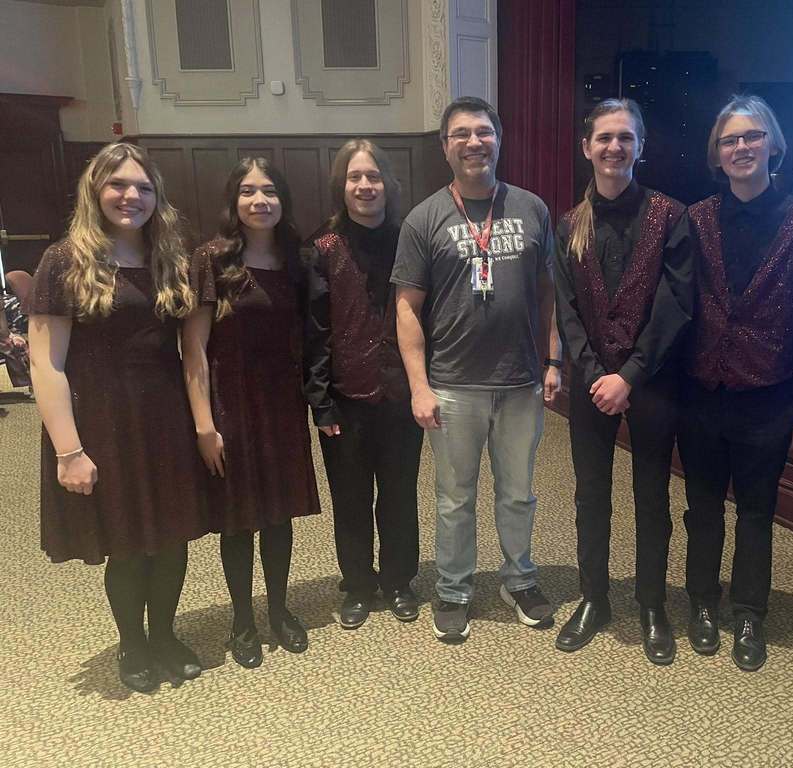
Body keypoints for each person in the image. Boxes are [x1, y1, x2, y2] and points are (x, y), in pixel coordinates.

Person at [26, 143, 209, 692]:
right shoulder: (64, 260)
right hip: (101, 423)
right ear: (95, 190)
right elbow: (45, 364)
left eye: (144, 187)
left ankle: (166, 636)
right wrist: (69, 451)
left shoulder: (170, 258)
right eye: (118, 185)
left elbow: (192, 348)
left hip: (164, 417)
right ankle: (134, 642)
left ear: (158, 196)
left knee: (171, 538)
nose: (131, 196)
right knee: (127, 544)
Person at [392, 96, 561, 643]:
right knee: (454, 496)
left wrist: (552, 359)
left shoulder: (532, 208)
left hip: (519, 384)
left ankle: (520, 579)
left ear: (498, 139)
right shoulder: (425, 218)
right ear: (445, 147)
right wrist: (419, 387)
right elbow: (407, 309)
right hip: (453, 385)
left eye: (483, 131)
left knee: (518, 492)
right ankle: (455, 588)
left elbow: (547, 293)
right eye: (460, 133)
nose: (473, 142)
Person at [677, 95, 793, 672]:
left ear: (774, 147)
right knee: (702, 506)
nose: (741, 147)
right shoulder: (694, 220)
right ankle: (701, 603)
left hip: (772, 394)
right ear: (717, 154)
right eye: (729, 140)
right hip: (701, 393)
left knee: (758, 511)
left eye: (752, 137)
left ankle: (749, 613)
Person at [552, 98, 694, 664]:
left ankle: (651, 603)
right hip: (591, 383)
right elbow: (566, 309)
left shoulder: (671, 216)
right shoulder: (569, 224)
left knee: (652, 497)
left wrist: (628, 376)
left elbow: (676, 304)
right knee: (591, 497)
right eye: (604, 138)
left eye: (626, 138)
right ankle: (594, 598)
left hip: (653, 382)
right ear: (586, 147)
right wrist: (594, 374)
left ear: (641, 147)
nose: (615, 147)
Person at [182, 157, 320, 669]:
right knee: (238, 520)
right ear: (233, 202)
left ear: (283, 201)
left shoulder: (295, 260)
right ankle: (242, 619)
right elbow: (193, 348)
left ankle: (280, 610)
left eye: (269, 191)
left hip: (283, 403)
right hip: (229, 403)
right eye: (247, 191)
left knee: (279, 514)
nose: (259, 200)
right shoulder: (210, 260)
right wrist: (203, 424)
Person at [303, 140, 423, 630]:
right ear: (342, 186)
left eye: (372, 176)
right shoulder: (322, 248)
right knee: (350, 498)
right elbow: (314, 331)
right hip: (344, 401)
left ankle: (398, 580)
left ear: (387, 184)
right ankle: (356, 583)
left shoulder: (409, 241)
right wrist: (321, 404)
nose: (364, 185)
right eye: (354, 177)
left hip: (399, 395)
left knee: (398, 495)